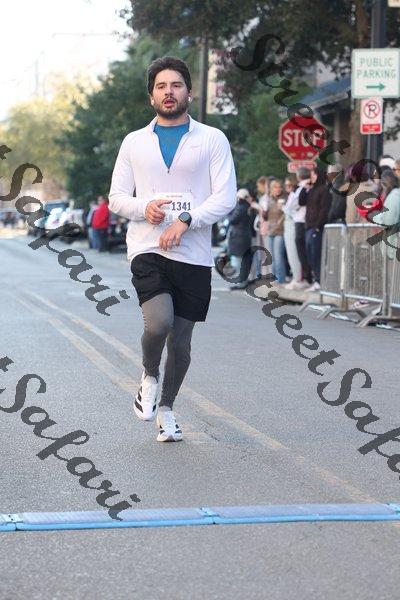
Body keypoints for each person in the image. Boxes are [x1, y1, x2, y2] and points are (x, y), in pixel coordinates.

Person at [109, 55, 236, 442]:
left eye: (176, 85)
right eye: (161, 86)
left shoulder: (212, 139)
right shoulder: (134, 142)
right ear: (151, 96)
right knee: (159, 322)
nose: (169, 92)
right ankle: (149, 376)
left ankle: (166, 409)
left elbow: (225, 196)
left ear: (189, 92)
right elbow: (116, 198)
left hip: (193, 253)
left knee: (181, 342)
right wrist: (143, 208)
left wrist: (187, 220)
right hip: (147, 247)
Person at [298, 167, 332, 291]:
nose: (311, 177)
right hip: (308, 226)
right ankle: (316, 279)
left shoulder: (324, 190)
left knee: (316, 254)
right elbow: (301, 201)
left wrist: (318, 226)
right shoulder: (312, 189)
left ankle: (319, 280)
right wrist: (304, 188)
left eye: (313, 175)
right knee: (310, 254)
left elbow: (324, 209)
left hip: (316, 227)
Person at [227, 188, 254, 290]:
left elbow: (232, 220)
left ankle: (242, 281)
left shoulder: (240, 207)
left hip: (239, 237)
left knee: (240, 261)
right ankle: (243, 280)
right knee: (244, 260)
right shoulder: (248, 207)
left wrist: (230, 212)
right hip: (245, 235)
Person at [282, 174, 305, 290]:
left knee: (294, 252)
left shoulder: (296, 194)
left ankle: (298, 278)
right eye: (286, 185)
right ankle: (295, 278)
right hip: (288, 225)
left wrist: (283, 207)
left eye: (289, 185)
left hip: (294, 224)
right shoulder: (291, 194)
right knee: (290, 254)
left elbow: (291, 208)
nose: (287, 187)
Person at [293, 167, 313, 285]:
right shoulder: (302, 187)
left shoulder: (303, 187)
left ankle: (308, 276)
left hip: (301, 220)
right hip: (302, 220)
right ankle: (307, 275)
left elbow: (297, 203)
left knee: (302, 250)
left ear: (299, 176)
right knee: (304, 249)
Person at [265, 179, 286, 284]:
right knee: (271, 257)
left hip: (280, 231)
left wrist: (283, 208)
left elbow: (286, 215)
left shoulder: (284, 199)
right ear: (271, 189)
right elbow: (265, 217)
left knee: (278, 256)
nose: (278, 189)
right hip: (270, 231)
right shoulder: (268, 200)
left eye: (279, 187)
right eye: (276, 187)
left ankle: (280, 279)